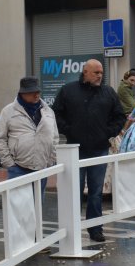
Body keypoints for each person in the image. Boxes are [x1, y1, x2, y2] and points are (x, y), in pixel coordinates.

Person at [52, 59, 125, 242]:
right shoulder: (68, 91)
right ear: (85, 72)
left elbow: (119, 116)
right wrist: (68, 130)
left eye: (101, 72)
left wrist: (107, 133)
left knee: (96, 192)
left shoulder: (108, 92)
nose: (100, 75)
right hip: (74, 150)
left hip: (99, 149)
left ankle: (96, 229)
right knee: (74, 192)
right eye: (96, 72)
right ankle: (72, 229)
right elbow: (56, 113)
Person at [0, 76, 58, 195]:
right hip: (18, 169)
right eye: (32, 92)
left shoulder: (48, 111)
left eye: (38, 91)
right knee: (18, 208)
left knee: (37, 207)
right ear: (22, 93)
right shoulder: (8, 111)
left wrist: (50, 160)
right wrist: (10, 164)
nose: (36, 95)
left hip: (42, 168)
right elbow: (0, 139)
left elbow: (55, 138)